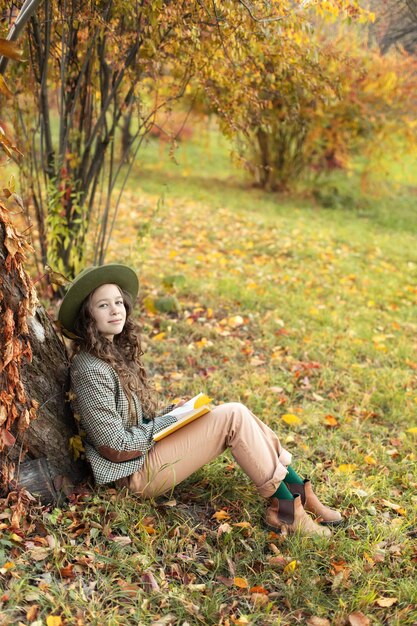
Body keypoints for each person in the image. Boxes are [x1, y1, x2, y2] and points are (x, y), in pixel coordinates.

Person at [58, 263, 343, 537]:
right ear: (87, 316)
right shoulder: (88, 367)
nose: (115, 310)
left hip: (143, 456)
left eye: (118, 302)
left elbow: (140, 420)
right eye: (103, 305)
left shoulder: (113, 352)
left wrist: (178, 414)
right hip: (131, 474)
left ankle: (297, 493)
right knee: (233, 416)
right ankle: (286, 509)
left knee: (237, 412)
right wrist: (168, 423)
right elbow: (114, 446)